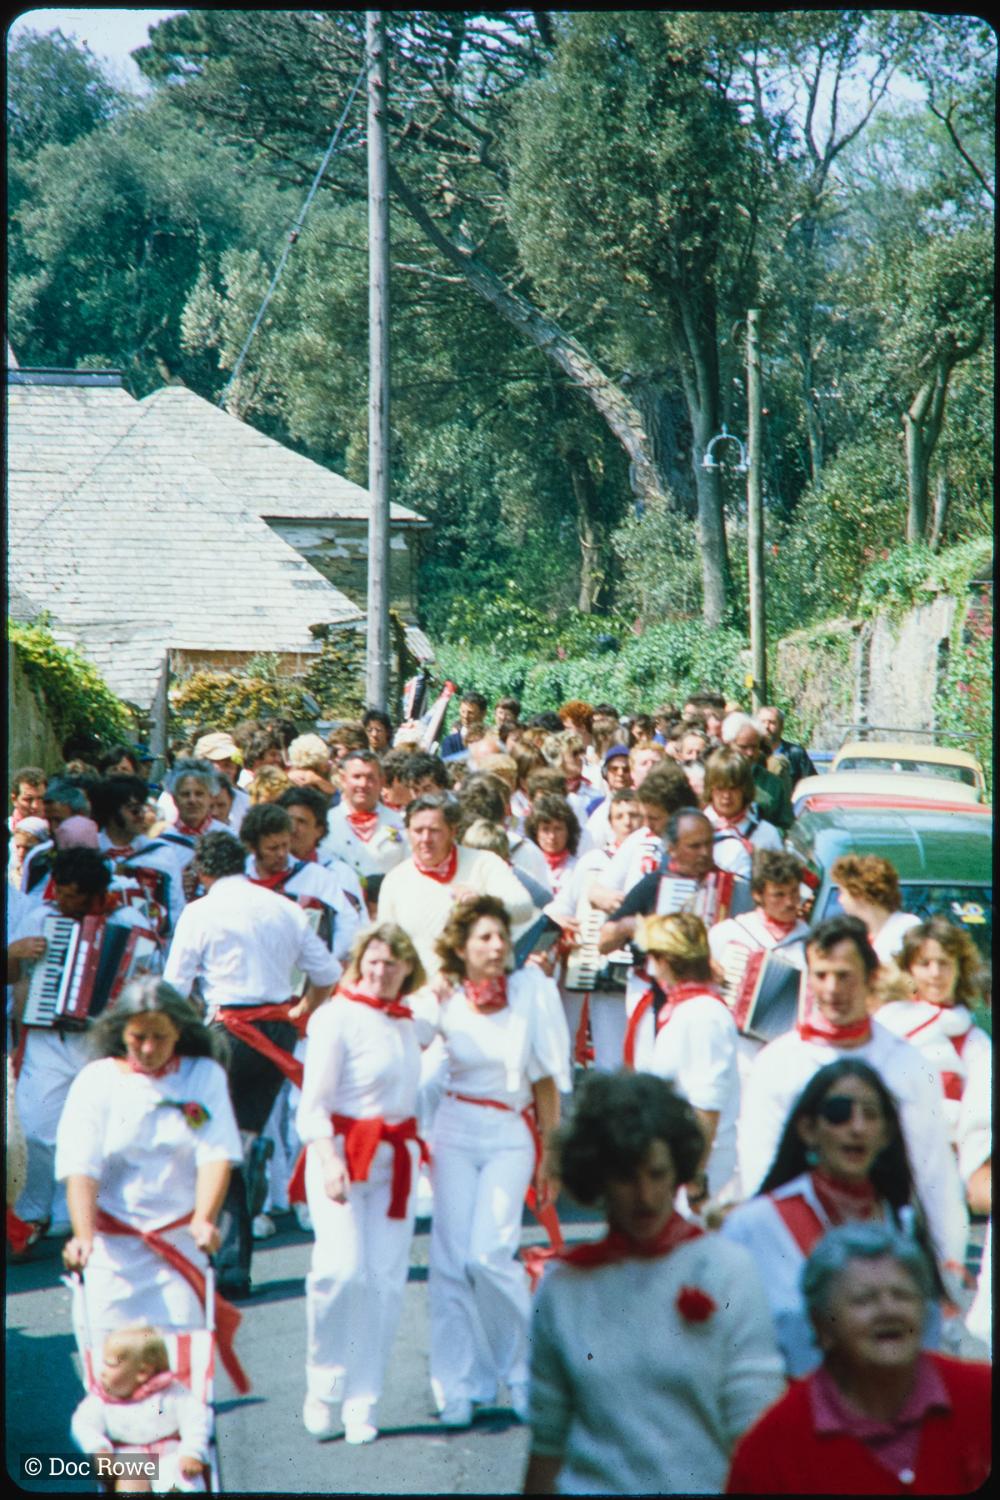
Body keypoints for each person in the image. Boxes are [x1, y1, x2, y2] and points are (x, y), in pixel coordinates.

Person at [523, 1072, 784, 1495]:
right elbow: (548, 1444)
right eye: (626, 1178)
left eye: (657, 1174)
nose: (644, 1195)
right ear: (598, 1178)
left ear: (678, 1170)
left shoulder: (728, 1272)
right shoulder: (565, 1289)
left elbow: (754, 1433)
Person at [162, 831, 340, 1299]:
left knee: (214, 1137)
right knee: (239, 1135)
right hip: (278, 1030)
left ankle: (229, 1263)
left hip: (228, 1032)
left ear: (202, 872)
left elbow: (174, 988)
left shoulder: (200, 911)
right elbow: (327, 974)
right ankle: (249, 1168)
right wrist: (302, 1010)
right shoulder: (283, 906)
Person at [738, 915, 968, 1272]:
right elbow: (760, 1169)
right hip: (798, 1253)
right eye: (821, 974)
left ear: (871, 977)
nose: (831, 989)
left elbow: (933, 1173)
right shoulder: (777, 1063)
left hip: (884, 1251)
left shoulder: (906, 1063)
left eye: (844, 975)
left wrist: (946, 1264)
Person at [57, 978, 246, 1387]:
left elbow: (215, 1153)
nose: (147, 1048)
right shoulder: (95, 1081)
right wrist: (83, 1236)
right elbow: (81, 1167)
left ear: (179, 1031)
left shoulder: (202, 1075)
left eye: (159, 1037)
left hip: (178, 1246)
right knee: (113, 1381)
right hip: (112, 1253)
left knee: (183, 1378)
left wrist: (205, 1219)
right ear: (119, 1031)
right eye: (137, 1037)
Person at [428, 897, 569, 1427]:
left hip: (511, 1131)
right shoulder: (443, 997)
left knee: (490, 1255)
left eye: (501, 937)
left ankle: (524, 1372)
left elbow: (547, 1079)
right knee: (449, 1263)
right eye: (484, 938)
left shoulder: (531, 991)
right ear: (461, 949)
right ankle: (457, 1385)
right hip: (455, 1130)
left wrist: (550, 1155)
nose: (496, 946)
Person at [293, 924, 433, 1444]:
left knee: (384, 1283)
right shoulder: (335, 1018)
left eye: (392, 964)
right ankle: (323, 1383)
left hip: (395, 1162)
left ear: (407, 971)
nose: (381, 972)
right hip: (343, 1156)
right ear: (358, 963)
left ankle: (363, 1399)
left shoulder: (407, 1022)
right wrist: (328, 1160)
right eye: (373, 961)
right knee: (339, 1271)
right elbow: (314, 1107)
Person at [726, 1223, 992, 1495]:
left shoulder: (982, 1396)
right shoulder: (773, 1449)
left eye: (902, 1295)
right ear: (821, 1325)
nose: (888, 1311)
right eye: (864, 1300)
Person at [723, 1059, 939, 1376]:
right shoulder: (754, 1226)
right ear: (808, 1130)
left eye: (871, 1114)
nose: (857, 1127)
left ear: (886, 1134)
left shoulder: (902, 1224)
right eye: (840, 1114)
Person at [11, 848, 161, 1244]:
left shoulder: (128, 921)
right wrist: (14, 954)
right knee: (35, 1127)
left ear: (96, 895)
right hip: (48, 1036)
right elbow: (10, 975)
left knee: (104, 1128)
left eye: (73, 895)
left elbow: (149, 978)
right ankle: (33, 1211)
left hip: (103, 1041)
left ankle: (78, 1209)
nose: (61, 900)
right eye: (59, 890)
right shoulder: (41, 918)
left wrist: (137, 973)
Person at [630, 913, 739, 1205]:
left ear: (666, 960)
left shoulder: (704, 1015)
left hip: (701, 1169)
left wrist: (695, 1177)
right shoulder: (688, 1009)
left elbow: (707, 1104)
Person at [377, 793, 537, 980]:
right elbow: (386, 945)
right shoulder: (395, 880)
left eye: (434, 830)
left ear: (453, 831)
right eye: (418, 831)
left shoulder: (484, 863)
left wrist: (481, 904)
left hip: (487, 992)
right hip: (425, 996)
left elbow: (524, 907)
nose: (425, 839)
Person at [882, 917, 991, 1141]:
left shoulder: (974, 1041)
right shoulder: (886, 1023)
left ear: (960, 968)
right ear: (909, 969)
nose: (935, 973)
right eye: (925, 964)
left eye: (944, 962)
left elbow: (979, 1125)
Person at [70, 1325, 212, 1494]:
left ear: (142, 1372)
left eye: (110, 1364)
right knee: (130, 1480)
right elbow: (83, 1424)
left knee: (183, 1479)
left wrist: (192, 1452)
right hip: (129, 1459)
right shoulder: (102, 1400)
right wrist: (99, 1449)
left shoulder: (171, 1393)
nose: (102, 1372)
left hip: (171, 1455)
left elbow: (197, 1419)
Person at [709, 848, 810, 1002]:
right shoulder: (727, 933)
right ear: (757, 894)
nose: (790, 902)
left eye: (794, 892)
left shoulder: (811, 941)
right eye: (779, 895)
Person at [319, 749, 407, 914]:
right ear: (343, 779)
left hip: (387, 914)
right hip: (337, 914)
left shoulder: (401, 823)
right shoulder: (324, 823)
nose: (363, 784)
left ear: (381, 781)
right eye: (357, 777)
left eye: (370, 778)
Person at [702, 747, 783, 880]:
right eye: (720, 788)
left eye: (733, 788)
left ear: (745, 789)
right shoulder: (696, 831)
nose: (726, 796)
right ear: (710, 789)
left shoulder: (766, 834)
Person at [831, 854, 921, 965]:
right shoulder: (858, 937)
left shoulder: (907, 927)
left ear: (858, 892)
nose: (840, 900)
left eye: (842, 893)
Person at [720, 713, 793, 831]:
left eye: (754, 747)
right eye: (743, 747)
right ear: (728, 745)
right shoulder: (716, 778)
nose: (750, 753)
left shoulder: (773, 784)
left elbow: (787, 826)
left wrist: (767, 834)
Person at [757, 705, 816, 788]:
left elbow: (811, 783)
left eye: (772, 722)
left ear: (781, 726)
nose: (766, 726)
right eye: (762, 722)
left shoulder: (796, 753)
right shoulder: (753, 753)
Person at [441, 692, 488, 759]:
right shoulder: (450, 742)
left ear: (483, 714)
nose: (465, 716)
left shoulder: (491, 741)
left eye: (470, 713)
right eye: (463, 711)